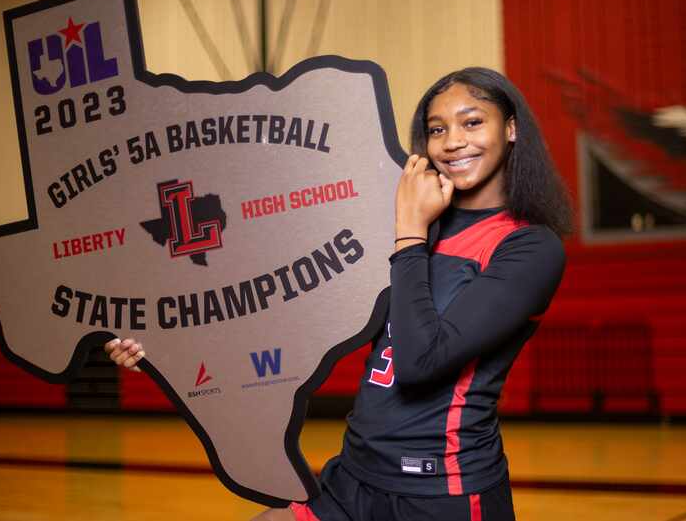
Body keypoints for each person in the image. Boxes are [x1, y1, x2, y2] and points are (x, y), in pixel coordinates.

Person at [107, 67, 572, 521]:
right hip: (355, 474)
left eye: (472, 122)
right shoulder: (415, 226)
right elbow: (283, 314)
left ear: (510, 129)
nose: (452, 141)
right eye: (436, 128)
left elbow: (423, 360)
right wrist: (159, 343)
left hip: (441, 489)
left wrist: (409, 231)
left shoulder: (528, 247)